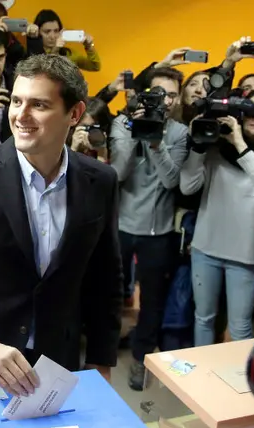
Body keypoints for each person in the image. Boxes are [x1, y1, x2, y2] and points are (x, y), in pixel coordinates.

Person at [0, 54, 122, 393]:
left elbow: (105, 278)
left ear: (74, 114)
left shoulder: (100, 181)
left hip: (55, 365)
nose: (20, 115)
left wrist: (101, 358)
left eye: (39, 105)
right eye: (17, 101)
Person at [180, 88, 254, 347]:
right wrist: (198, 146)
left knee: (240, 328)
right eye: (251, 111)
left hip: (245, 255)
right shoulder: (217, 147)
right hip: (205, 248)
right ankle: (201, 382)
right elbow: (188, 187)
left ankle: (239, 385)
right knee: (204, 319)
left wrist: (239, 143)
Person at [109, 67, 189, 391]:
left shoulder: (180, 133)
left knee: (152, 300)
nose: (165, 101)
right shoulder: (121, 123)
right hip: (122, 223)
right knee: (110, 293)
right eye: (159, 94)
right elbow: (118, 172)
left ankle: (142, 358)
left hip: (158, 230)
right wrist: (135, 128)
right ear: (146, 95)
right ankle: (104, 349)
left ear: (179, 98)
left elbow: (172, 181)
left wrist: (156, 143)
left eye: (171, 95)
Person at [26, 10, 100, 72]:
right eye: (47, 31)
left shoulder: (68, 53)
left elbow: (95, 66)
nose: (52, 36)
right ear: (38, 32)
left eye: (56, 31)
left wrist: (89, 46)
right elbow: (45, 73)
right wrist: (55, 50)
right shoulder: (31, 53)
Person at [67, 97, 111, 163]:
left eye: (94, 128)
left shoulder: (109, 146)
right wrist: (73, 150)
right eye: (85, 127)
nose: (89, 133)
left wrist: (102, 156)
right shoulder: (61, 143)